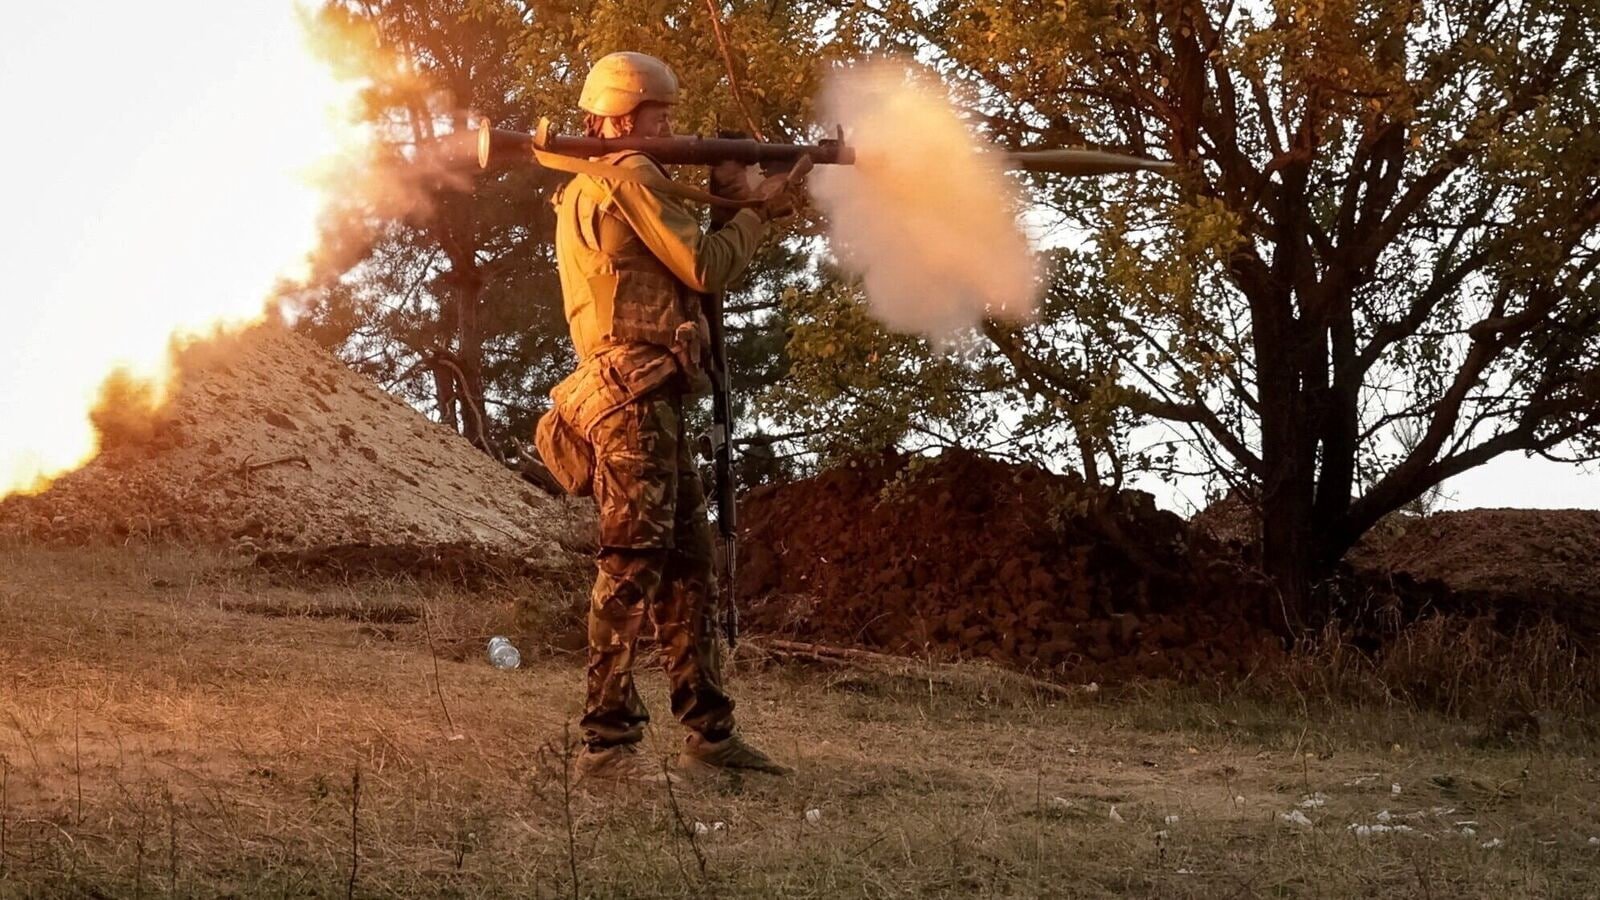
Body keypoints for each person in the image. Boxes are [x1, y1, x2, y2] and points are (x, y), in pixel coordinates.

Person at [547, 51, 795, 783]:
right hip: (633, 402)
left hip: (646, 398)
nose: (671, 126)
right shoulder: (629, 175)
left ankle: (710, 737)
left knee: (688, 571)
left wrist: (731, 198)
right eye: (661, 114)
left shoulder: (599, 178)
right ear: (623, 116)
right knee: (630, 570)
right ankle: (606, 746)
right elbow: (707, 269)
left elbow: (680, 263)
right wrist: (755, 209)